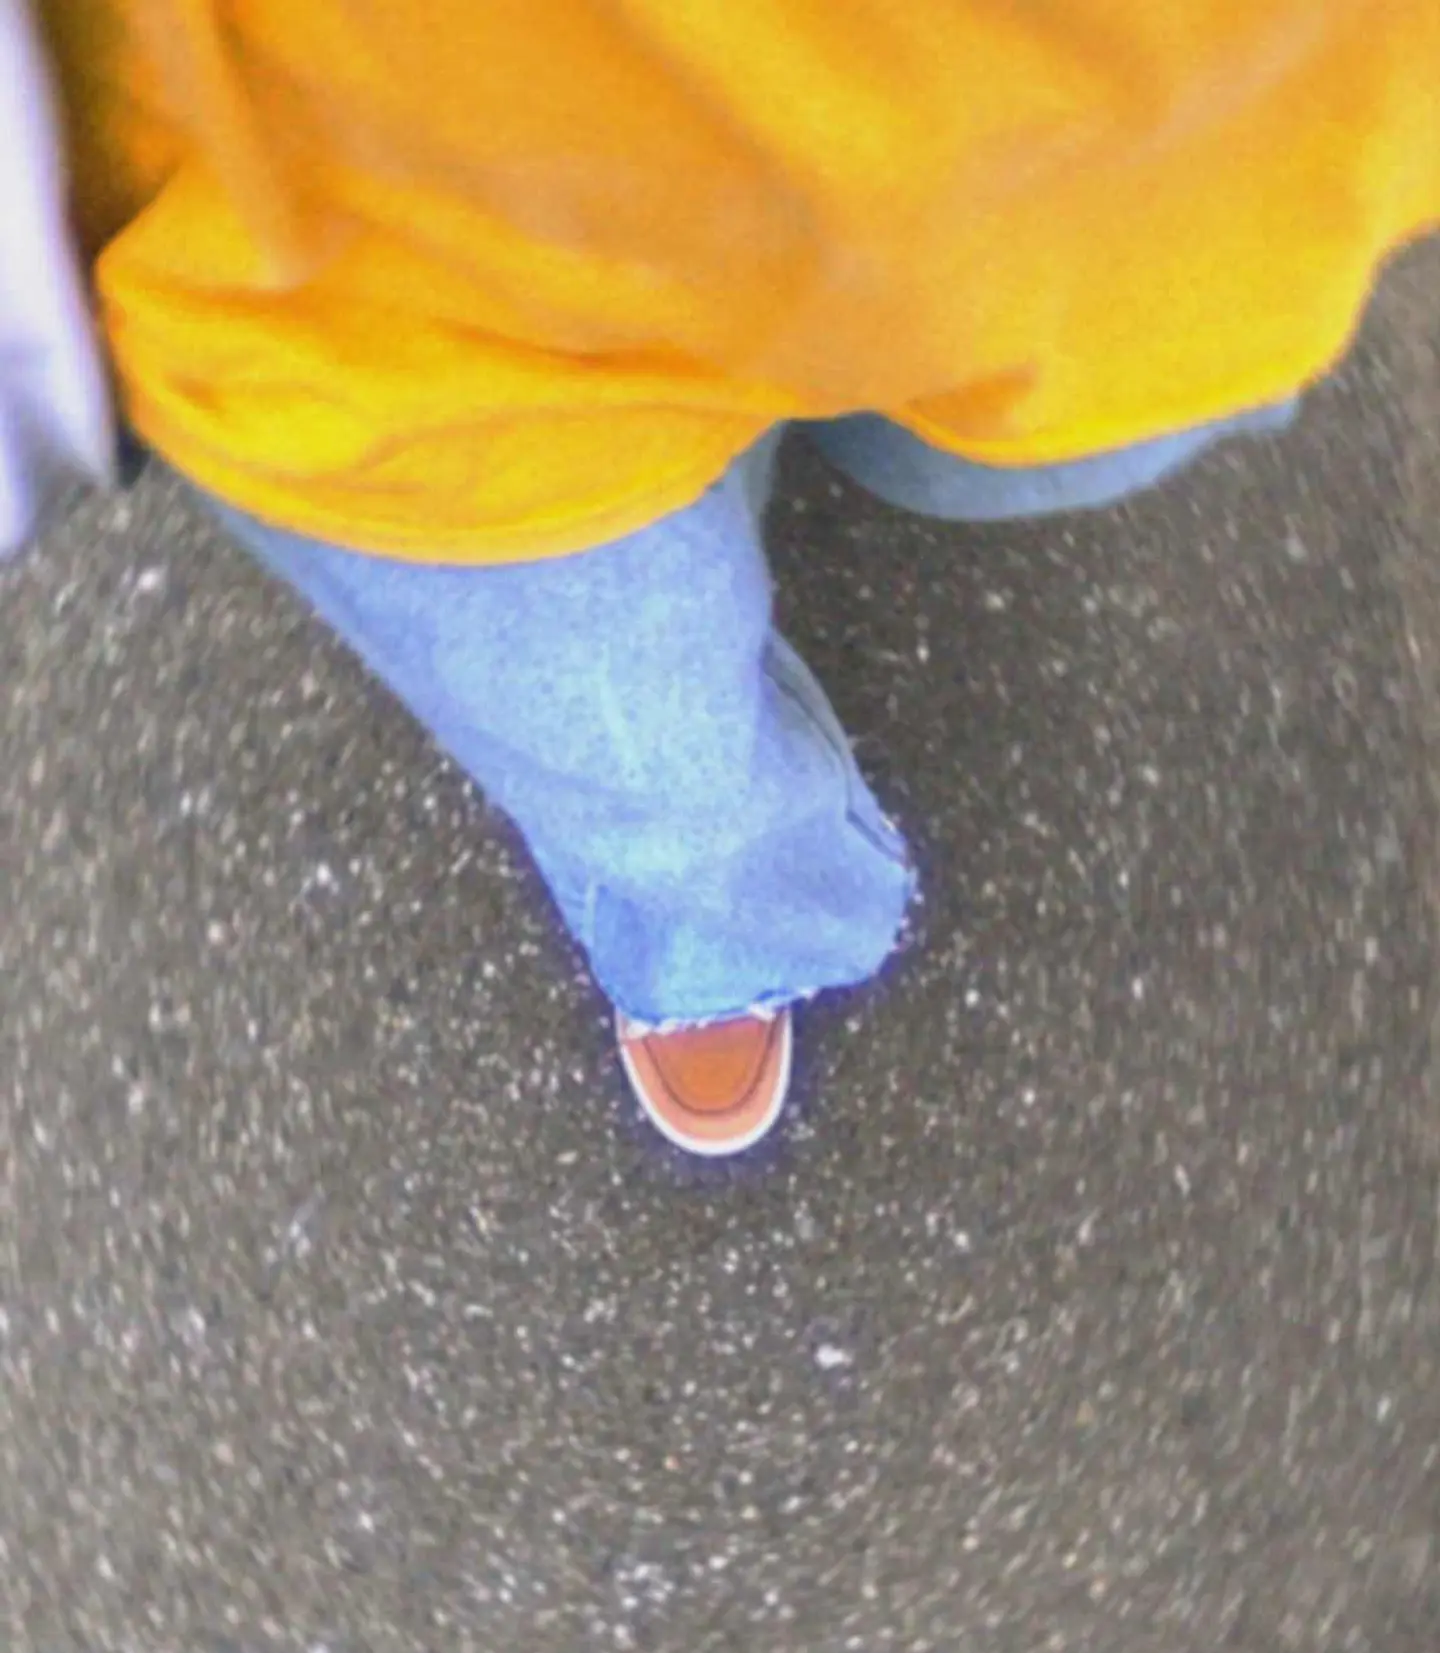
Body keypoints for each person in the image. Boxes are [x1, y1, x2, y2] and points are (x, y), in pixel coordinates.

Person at [10, 1, 1440, 1154]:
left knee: (1020, 431)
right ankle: (717, 933)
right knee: (642, 753)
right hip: (374, 244)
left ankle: (847, 418)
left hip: (1150, 149)